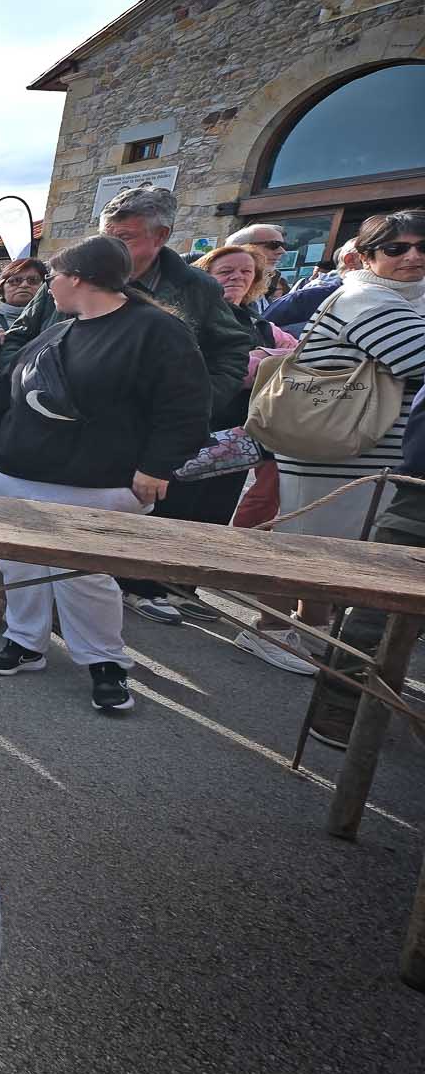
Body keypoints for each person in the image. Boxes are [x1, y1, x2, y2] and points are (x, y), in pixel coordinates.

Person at [0, 235, 211, 713]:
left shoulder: (156, 330)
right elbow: (8, 395)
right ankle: (26, 642)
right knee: (19, 565)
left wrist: (157, 466)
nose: (49, 286)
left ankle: (105, 662)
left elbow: (185, 406)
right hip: (15, 472)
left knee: (84, 576)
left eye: (53, 277)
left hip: (96, 481)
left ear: (77, 278)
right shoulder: (58, 330)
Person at [0, 185, 251, 625]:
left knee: (94, 552)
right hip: (47, 439)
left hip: (125, 444)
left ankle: (104, 629)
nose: (113, 247)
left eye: (126, 238)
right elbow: (20, 338)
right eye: (108, 236)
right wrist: (21, 386)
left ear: (161, 236)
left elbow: (230, 352)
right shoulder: (71, 277)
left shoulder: (193, 290)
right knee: (27, 543)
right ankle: (23, 625)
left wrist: (193, 406)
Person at [269, 210, 425, 746]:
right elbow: (417, 358)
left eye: (423, 247)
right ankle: (273, 631)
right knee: (320, 553)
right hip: (337, 449)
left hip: (366, 448)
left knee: (338, 555)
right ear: (368, 257)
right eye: (396, 248)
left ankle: (311, 632)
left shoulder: (402, 299)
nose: (413, 256)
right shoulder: (367, 298)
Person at [190, 243, 308, 674]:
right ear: (206, 274)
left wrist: (266, 360)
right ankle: (144, 584)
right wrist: (260, 364)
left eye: (245, 272)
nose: (236, 278)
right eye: (226, 270)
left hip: (241, 432)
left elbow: (300, 357)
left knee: (216, 506)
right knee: (177, 501)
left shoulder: (260, 324)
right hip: (194, 421)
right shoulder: (193, 316)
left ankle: (183, 582)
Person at [261, 237, 366, 335]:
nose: (282, 251)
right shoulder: (308, 298)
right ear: (350, 260)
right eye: (273, 245)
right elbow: (258, 332)